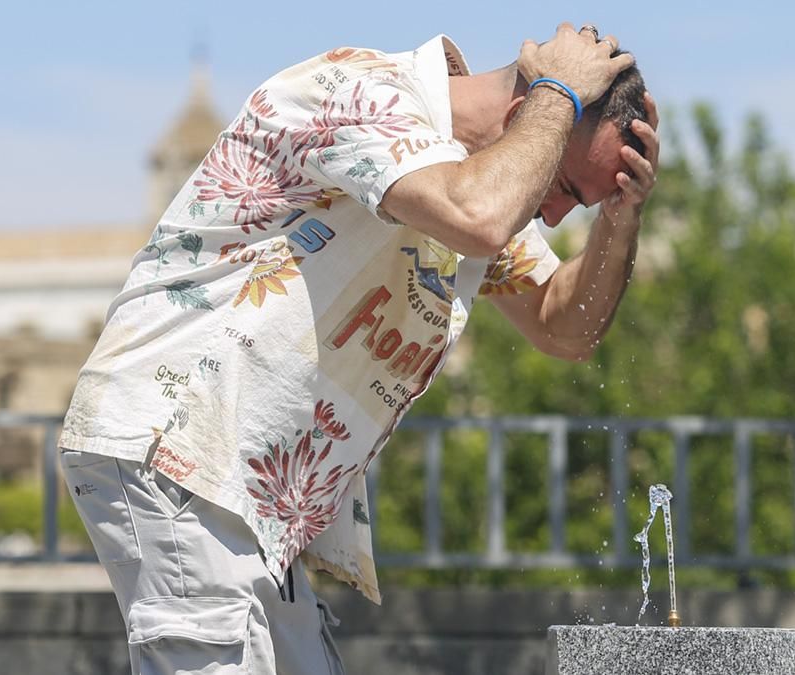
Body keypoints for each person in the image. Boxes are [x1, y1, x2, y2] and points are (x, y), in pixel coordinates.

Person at [58, 21, 659, 674]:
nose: (551, 219)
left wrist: (622, 212)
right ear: (528, 112)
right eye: (568, 189)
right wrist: (558, 93)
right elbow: (479, 216)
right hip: (178, 439)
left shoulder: (472, 174)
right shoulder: (362, 94)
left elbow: (561, 323)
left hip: (250, 493)